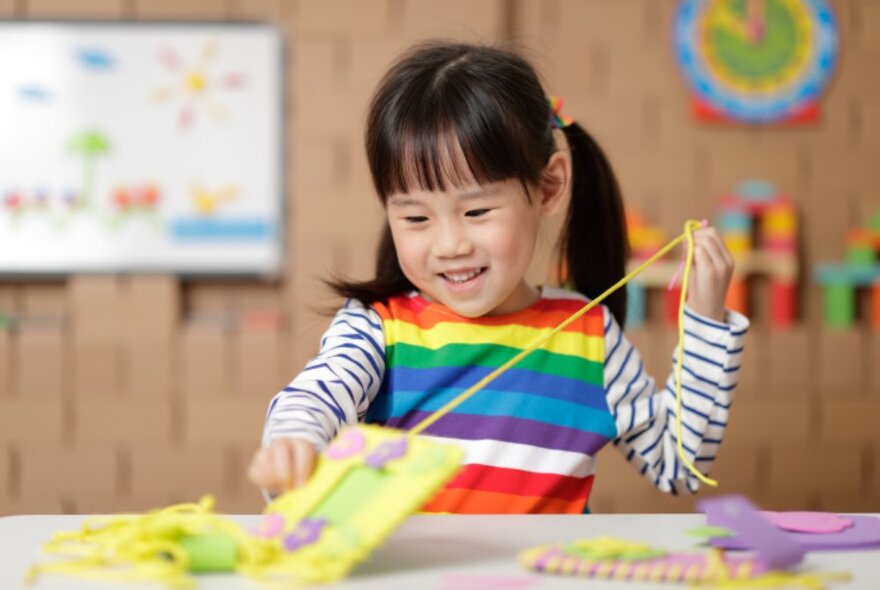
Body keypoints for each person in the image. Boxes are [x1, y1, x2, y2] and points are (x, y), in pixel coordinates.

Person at [248, 41, 748, 513]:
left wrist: (706, 322)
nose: (450, 245)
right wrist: (294, 444)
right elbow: (315, 398)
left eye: (478, 211)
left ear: (548, 188)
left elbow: (678, 466)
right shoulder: (376, 328)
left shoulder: (589, 336)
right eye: (417, 218)